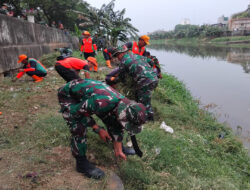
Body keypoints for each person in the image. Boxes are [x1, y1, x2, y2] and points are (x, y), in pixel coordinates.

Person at [58, 78, 147, 179]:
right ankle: (81, 163)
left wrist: (118, 150)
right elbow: (77, 114)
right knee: (78, 126)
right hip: (69, 96)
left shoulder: (125, 104)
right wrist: (98, 129)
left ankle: (120, 149)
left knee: (114, 120)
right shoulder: (100, 103)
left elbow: (116, 125)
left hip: (90, 95)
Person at [107, 46, 158, 121]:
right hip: (154, 78)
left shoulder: (123, 62)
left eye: (117, 55)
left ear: (121, 53)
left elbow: (122, 78)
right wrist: (147, 69)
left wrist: (113, 80)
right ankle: (143, 115)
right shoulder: (136, 55)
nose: (117, 58)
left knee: (144, 102)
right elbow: (151, 61)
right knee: (142, 97)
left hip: (145, 81)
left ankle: (148, 120)